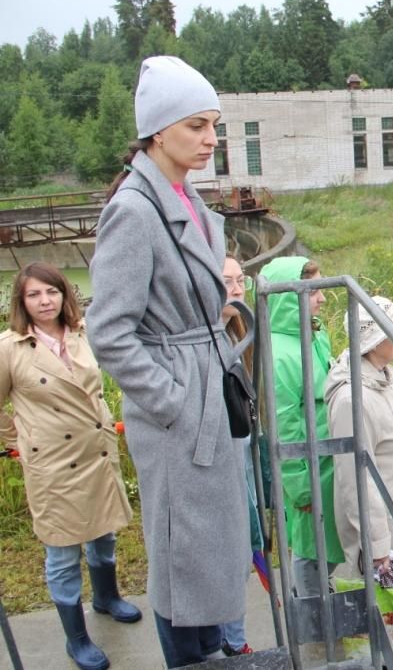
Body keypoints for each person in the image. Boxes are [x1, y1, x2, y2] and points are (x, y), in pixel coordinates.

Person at [87, 55, 249, 668]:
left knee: (210, 548)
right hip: (180, 407)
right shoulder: (134, 211)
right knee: (185, 557)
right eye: (196, 126)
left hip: (206, 389)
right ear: (157, 130)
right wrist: (172, 401)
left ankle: (213, 649)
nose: (211, 139)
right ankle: (190, 660)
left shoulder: (182, 196)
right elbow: (109, 330)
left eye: (214, 125)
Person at [0, 263, 139, 670]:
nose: (45, 301)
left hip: (95, 452)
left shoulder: (82, 334)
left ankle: (107, 597)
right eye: (34, 295)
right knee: (62, 554)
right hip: (53, 466)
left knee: (104, 535)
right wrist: (19, 440)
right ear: (22, 302)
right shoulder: (9, 347)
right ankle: (76, 638)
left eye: (52, 292)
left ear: (65, 295)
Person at [326, 296, 393, 570]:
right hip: (388, 536)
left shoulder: (383, 379)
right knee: (389, 608)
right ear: (374, 340)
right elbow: (354, 479)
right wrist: (377, 548)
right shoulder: (353, 399)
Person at [262, 256, 346, 596]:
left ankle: (316, 596)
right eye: (312, 292)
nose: (322, 298)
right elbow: (285, 424)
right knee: (312, 546)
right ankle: (312, 612)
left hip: (327, 455)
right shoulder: (281, 354)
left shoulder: (314, 333)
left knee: (328, 538)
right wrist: (300, 487)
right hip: (311, 465)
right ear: (287, 297)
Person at [219, 255, 259, 656]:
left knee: (244, 547)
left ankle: (233, 635)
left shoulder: (238, 332)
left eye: (240, 280)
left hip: (242, 454)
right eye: (226, 280)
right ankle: (230, 640)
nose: (236, 288)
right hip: (222, 461)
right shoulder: (209, 341)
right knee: (230, 551)